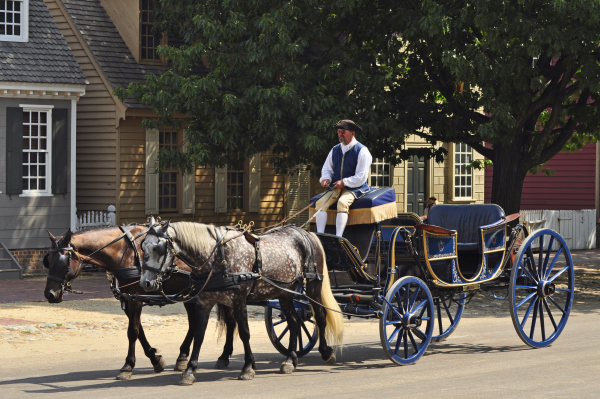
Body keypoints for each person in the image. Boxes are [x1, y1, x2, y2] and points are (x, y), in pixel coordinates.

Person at [316, 119, 373, 237]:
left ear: (352, 133)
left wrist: (345, 182)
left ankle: (338, 237)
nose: (340, 134)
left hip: (355, 187)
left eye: (343, 132)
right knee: (320, 202)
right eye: (339, 132)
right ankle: (320, 236)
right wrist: (326, 178)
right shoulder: (335, 149)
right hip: (336, 186)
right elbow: (327, 169)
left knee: (342, 203)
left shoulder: (362, 151)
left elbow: (361, 177)